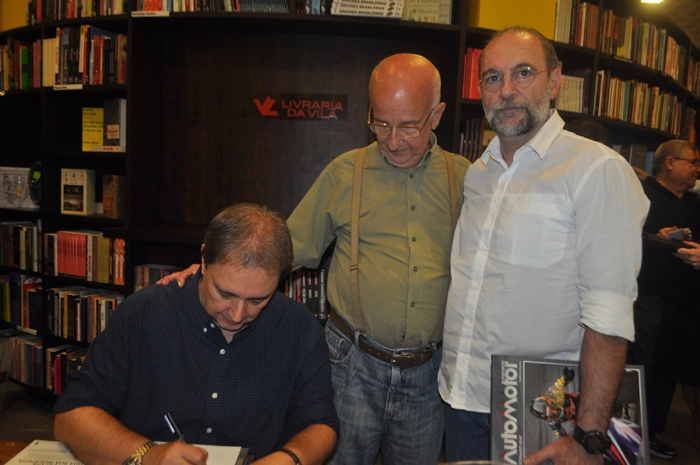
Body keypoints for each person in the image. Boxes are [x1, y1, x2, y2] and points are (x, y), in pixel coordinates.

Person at [160, 53, 470, 465]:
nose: (393, 140)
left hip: (429, 371)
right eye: (381, 123)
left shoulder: (466, 178)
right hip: (354, 365)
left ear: (437, 115)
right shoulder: (346, 173)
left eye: (409, 126)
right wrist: (213, 270)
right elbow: (282, 249)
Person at [438, 26, 649, 465]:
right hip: (460, 398)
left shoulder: (595, 170)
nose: (507, 90)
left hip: (543, 413)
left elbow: (608, 316)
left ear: (554, 83)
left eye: (523, 73)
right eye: (492, 78)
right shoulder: (478, 173)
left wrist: (589, 436)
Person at [53, 204, 340, 465]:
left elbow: (321, 425)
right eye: (225, 293)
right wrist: (148, 454)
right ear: (203, 259)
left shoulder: (300, 328)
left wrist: (290, 459)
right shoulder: (144, 313)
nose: (237, 315)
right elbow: (71, 416)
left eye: (257, 300)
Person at [629, 140, 700, 459]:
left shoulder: (695, 204)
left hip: (684, 302)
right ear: (669, 163)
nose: (698, 170)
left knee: (668, 366)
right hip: (646, 296)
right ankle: (634, 435)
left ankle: (651, 430)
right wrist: (654, 240)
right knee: (645, 364)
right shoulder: (639, 194)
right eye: (693, 162)